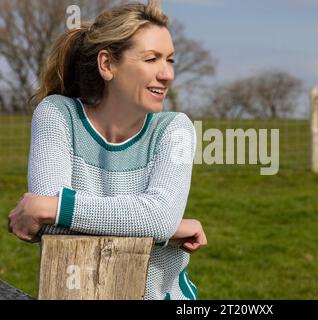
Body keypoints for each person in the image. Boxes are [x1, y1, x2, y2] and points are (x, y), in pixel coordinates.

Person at [7, 1, 207, 300]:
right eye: (151, 59)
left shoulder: (175, 129)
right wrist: (164, 231)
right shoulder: (57, 115)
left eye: (170, 60)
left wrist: (54, 208)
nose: (167, 74)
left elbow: (46, 214)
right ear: (107, 64)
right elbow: (49, 230)